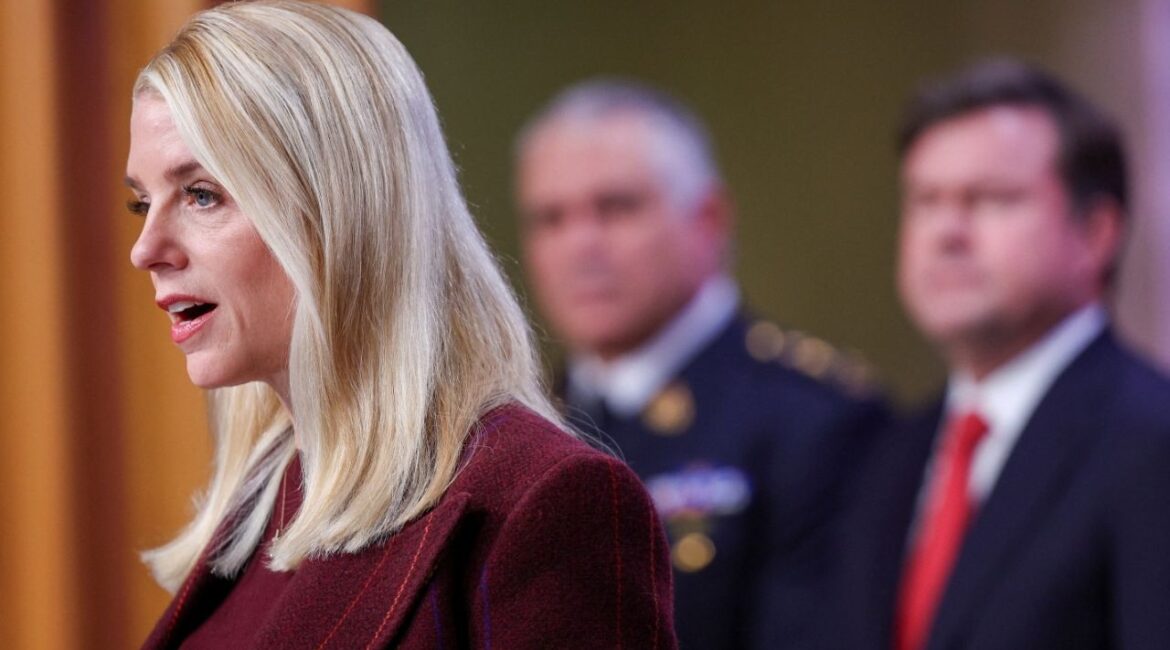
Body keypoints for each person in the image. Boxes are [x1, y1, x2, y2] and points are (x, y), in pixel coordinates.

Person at [124, 2, 676, 648]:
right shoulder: (266, 500)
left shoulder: (543, 504)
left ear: (338, 209)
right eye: (141, 201)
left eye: (201, 194)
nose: (146, 247)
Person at [514, 80, 887, 649]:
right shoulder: (517, 425)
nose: (580, 245)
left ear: (708, 219)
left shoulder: (816, 420)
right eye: (551, 219)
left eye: (616, 208)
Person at [830, 59, 1170, 650]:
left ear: (1095, 233)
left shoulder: (1151, 440)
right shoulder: (888, 452)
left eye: (990, 199)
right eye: (926, 201)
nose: (947, 232)